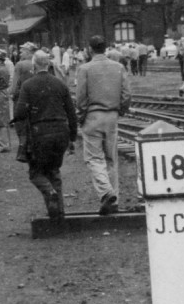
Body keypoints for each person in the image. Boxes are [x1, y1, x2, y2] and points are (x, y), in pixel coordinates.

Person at [15, 50, 77, 220]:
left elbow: (20, 112)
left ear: (34, 65)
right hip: (61, 133)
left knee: (36, 172)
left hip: (39, 134)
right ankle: (58, 214)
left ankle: (50, 193)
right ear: (49, 64)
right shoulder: (60, 84)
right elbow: (72, 114)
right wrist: (72, 138)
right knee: (54, 171)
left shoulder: (28, 85)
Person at [75, 34, 131, 215]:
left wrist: (82, 116)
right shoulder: (119, 67)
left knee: (93, 158)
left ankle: (106, 193)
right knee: (111, 159)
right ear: (105, 48)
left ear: (90, 49)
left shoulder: (85, 69)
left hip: (93, 116)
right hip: (112, 116)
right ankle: (114, 199)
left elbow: (81, 97)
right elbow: (126, 94)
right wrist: (120, 111)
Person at [8, 42, 37, 160]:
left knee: (20, 123)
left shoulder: (20, 65)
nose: (20, 53)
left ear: (28, 52)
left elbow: (14, 86)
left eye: (22, 51)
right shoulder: (38, 63)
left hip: (21, 98)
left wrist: (11, 93)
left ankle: (23, 148)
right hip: (35, 97)